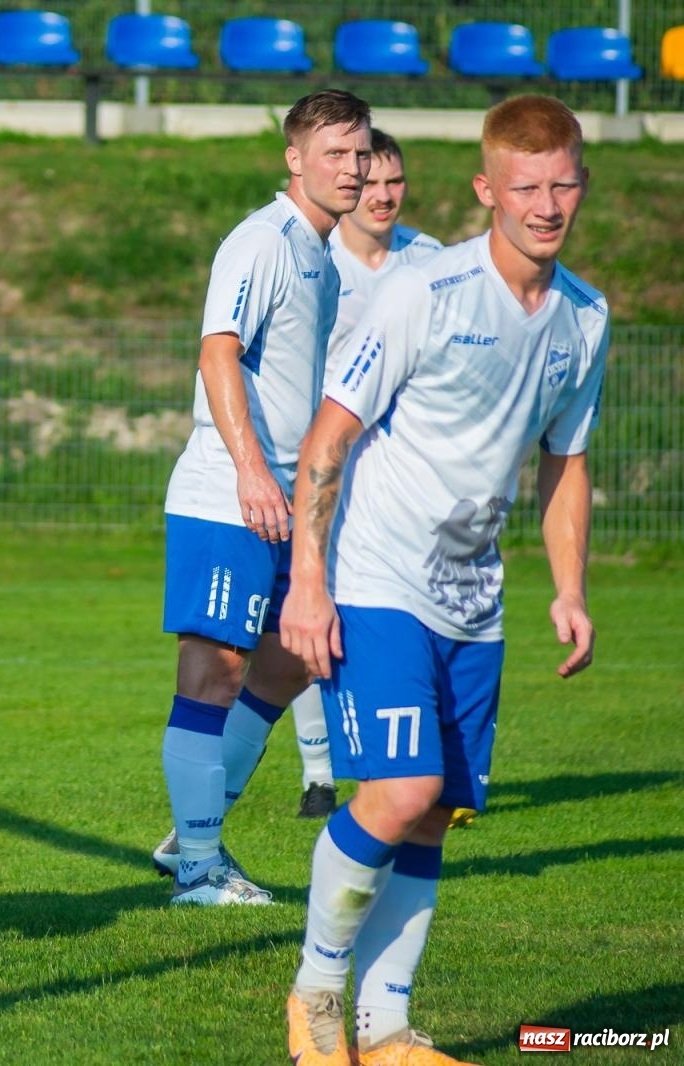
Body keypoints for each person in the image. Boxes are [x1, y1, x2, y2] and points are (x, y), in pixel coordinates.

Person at [280, 95, 606, 1066]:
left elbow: (565, 461)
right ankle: (314, 997)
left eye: (562, 186)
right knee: (400, 787)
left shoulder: (585, 318)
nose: (545, 206)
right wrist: (307, 581)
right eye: (525, 187)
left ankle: (385, 1031)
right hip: (378, 576)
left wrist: (569, 588)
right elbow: (328, 438)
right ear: (486, 190)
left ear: (582, 185)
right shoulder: (425, 290)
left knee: (432, 814)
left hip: (475, 598)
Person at [151, 90, 371, 904]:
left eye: (360, 152)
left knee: (293, 660)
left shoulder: (323, 257)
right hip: (228, 493)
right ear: (295, 158)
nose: (352, 168)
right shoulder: (263, 240)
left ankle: (191, 834)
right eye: (335, 153)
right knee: (214, 672)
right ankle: (198, 868)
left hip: (284, 501)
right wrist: (250, 470)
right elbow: (219, 352)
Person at [294, 128, 445, 820]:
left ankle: (412, 764)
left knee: (411, 613)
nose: (382, 194)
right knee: (314, 609)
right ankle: (319, 773)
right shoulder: (316, 260)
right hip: (333, 473)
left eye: (395, 181)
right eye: (370, 181)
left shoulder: (432, 261)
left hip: (409, 480)